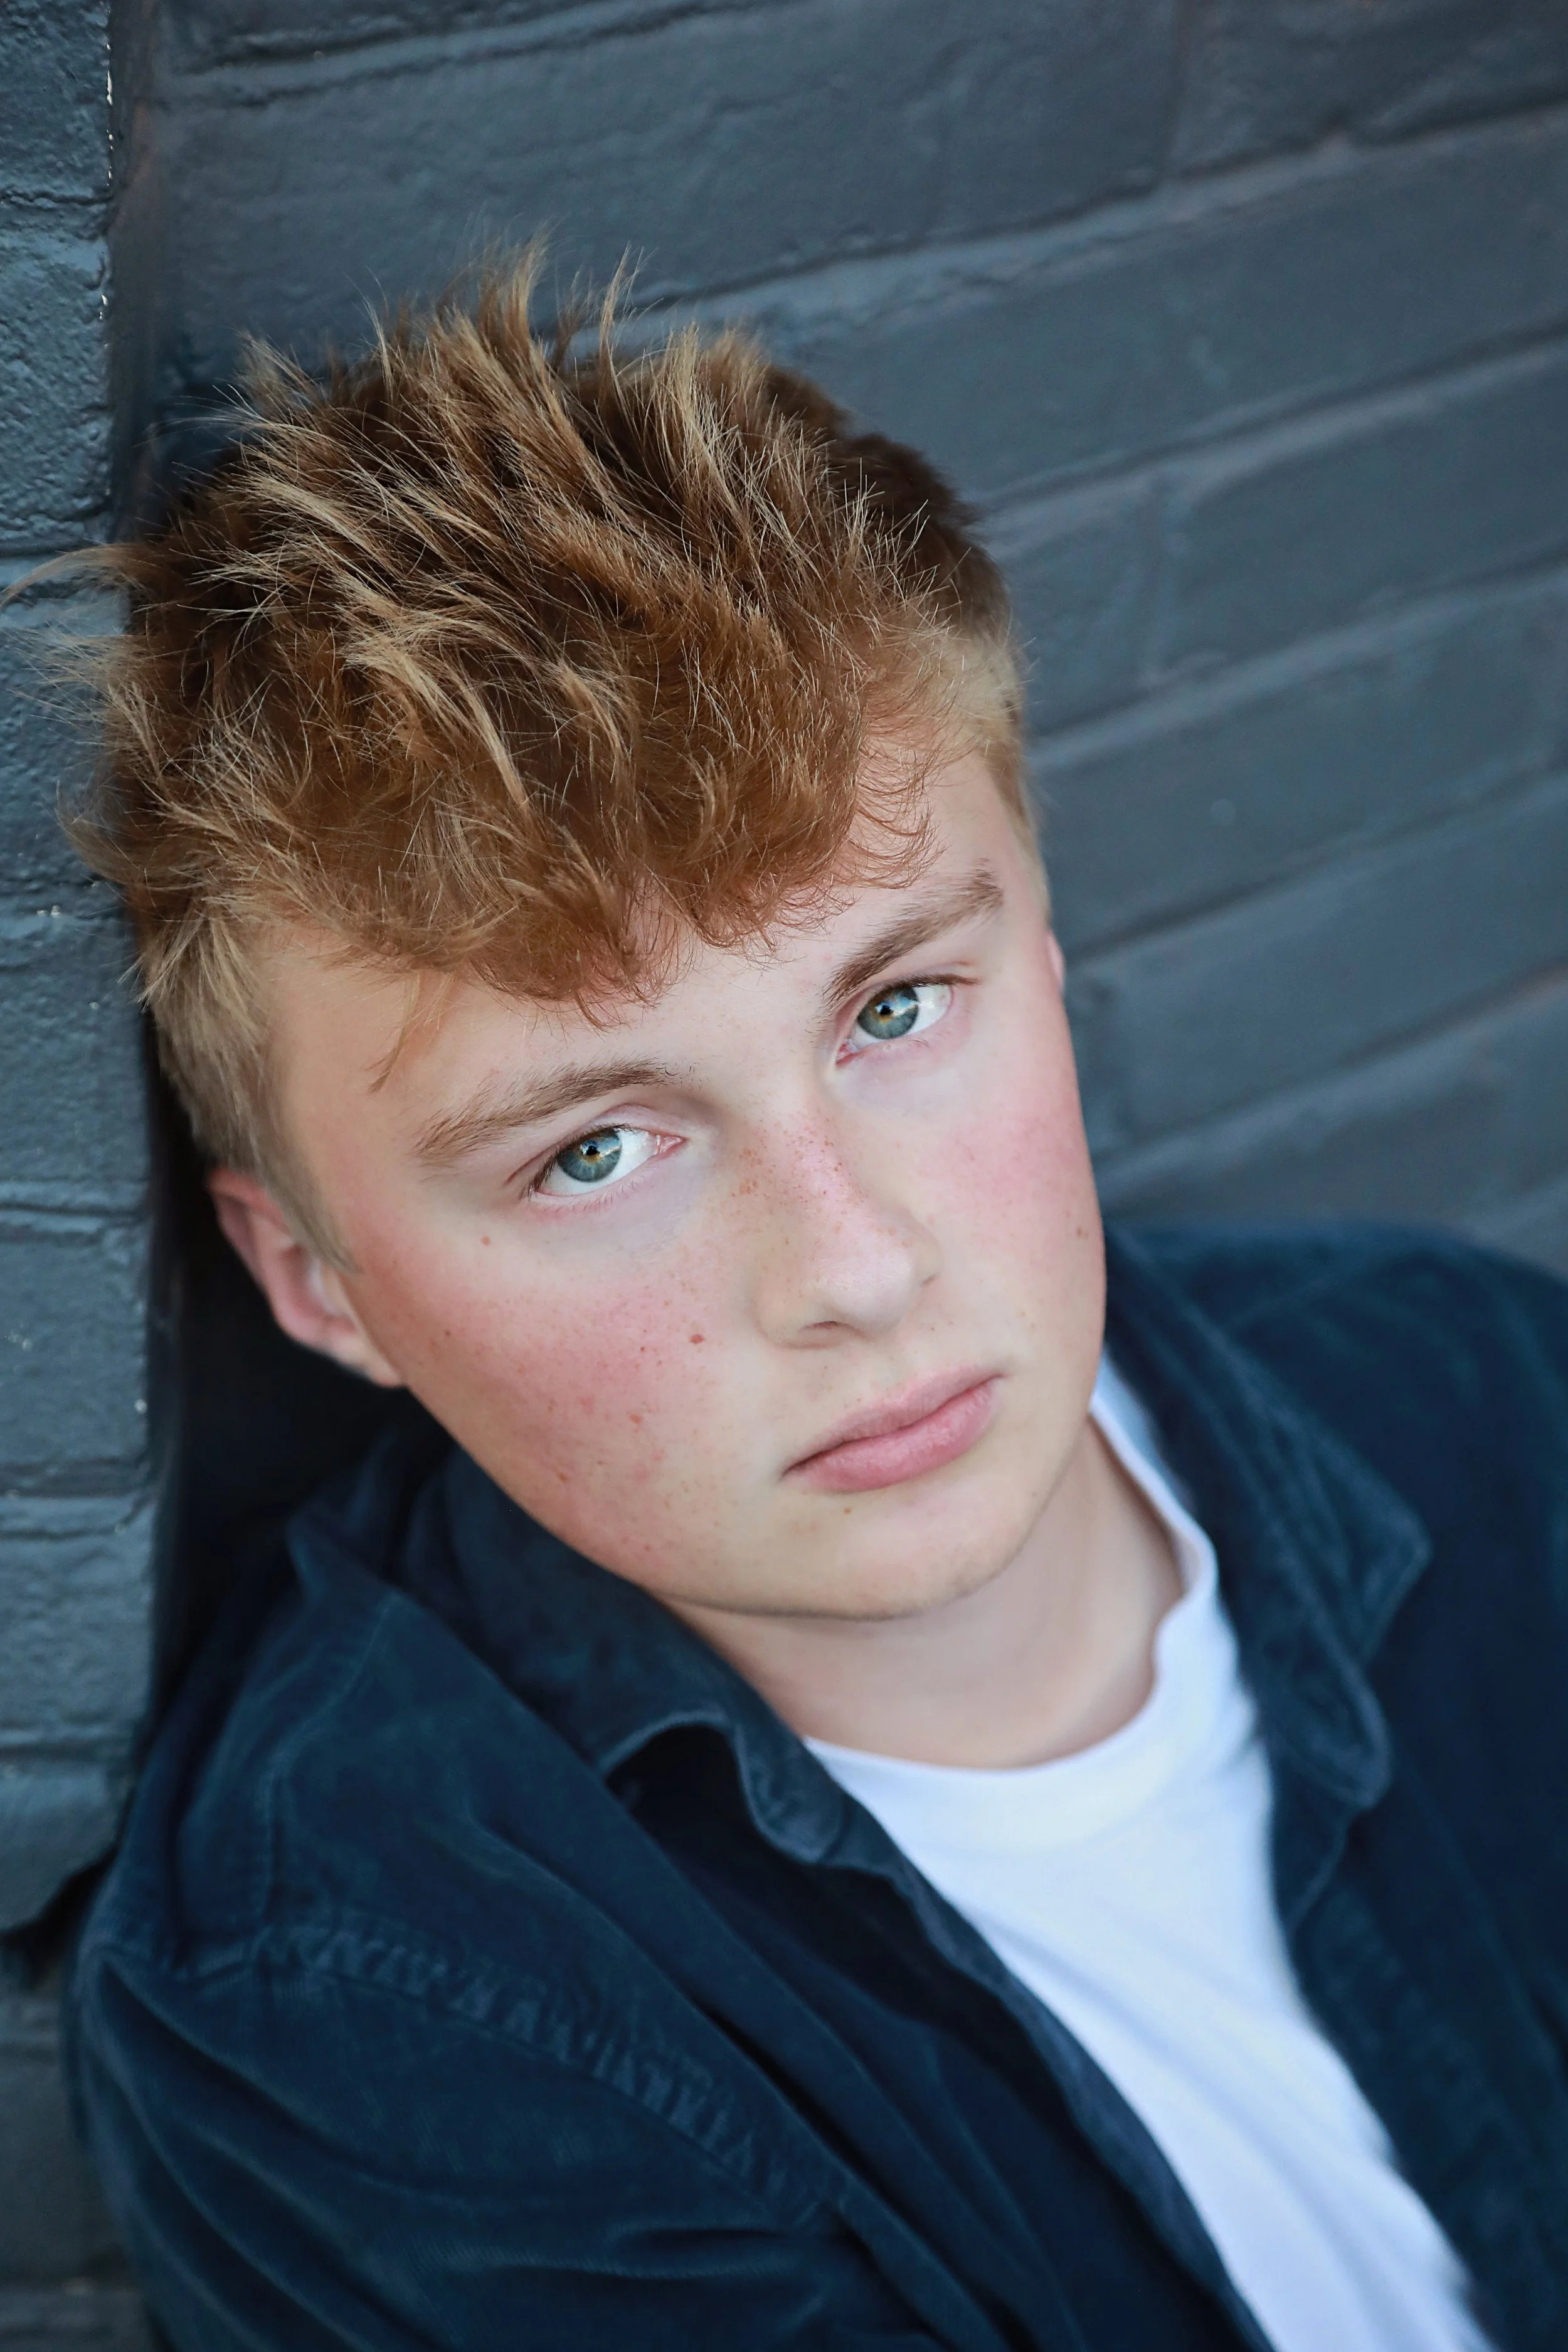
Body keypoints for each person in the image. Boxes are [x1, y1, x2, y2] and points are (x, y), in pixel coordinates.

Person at [62, 258, 1568, 2352]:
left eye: (895, 1009)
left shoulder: (1487, 1394)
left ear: (1045, 960)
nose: (855, 1266)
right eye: (596, 1150)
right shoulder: (366, 2009)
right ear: (320, 1284)